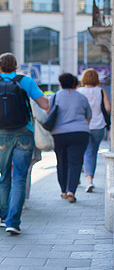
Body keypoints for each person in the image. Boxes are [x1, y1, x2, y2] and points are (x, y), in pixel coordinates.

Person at [0, 53, 49, 235]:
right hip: (24, 132)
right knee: (20, 177)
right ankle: (13, 221)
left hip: (1, 134)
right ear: (15, 66)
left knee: (4, 176)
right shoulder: (25, 81)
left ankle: (3, 216)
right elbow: (44, 104)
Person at [51, 73, 91, 203]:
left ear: (60, 83)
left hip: (59, 134)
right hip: (80, 132)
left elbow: (49, 113)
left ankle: (63, 190)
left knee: (61, 162)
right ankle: (71, 191)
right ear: (74, 84)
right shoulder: (82, 97)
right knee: (75, 162)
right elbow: (88, 116)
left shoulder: (55, 96)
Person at [77, 68, 110, 193]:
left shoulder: (79, 91)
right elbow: (107, 108)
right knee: (92, 153)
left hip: (83, 126)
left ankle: (87, 179)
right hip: (98, 126)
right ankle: (89, 180)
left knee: (85, 152)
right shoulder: (101, 91)